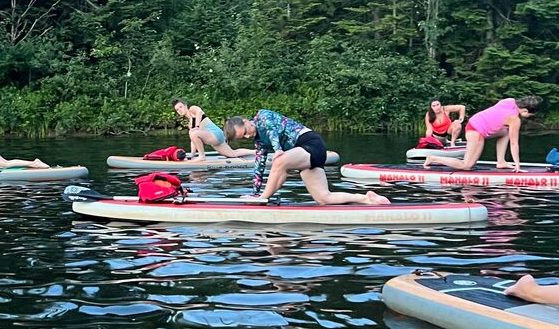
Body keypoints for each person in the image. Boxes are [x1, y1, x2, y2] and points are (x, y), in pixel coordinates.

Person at [224, 110, 389, 206]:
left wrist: (278, 150)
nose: (247, 136)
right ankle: (367, 199)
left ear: (246, 121)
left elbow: (272, 130)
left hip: (311, 144)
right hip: (304, 157)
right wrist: (254, 192)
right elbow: (258, 168)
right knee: (324, 198)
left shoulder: (263, 116)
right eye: (243, 137)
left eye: (245, 131)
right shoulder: (259, 142)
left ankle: (263, 199)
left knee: (279, 161)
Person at [423, 96, 541, 172]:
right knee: (467, 165)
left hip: (477, 121)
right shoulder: (515, 119)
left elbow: (495, 113)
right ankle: (433, 158)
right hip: (475, 129)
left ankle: (501, 161)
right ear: (525, 110)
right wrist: (517, 166)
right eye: (529, 115)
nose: (528, 117)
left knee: (505, 131)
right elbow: (514, 144)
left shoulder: (509, 100)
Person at [172, 99, 254, 159]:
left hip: (216, 134)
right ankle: (256, 152)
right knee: (232, 154)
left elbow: (199, 112)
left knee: (193, 133)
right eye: (177, 110)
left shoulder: (192, 109)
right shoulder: (190, 124)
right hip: (214, 139)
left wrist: (196, 127)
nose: (180, 110)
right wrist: (192, 154)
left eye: (181, 107)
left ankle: (202, 156)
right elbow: (193, 140)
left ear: (185, 105)